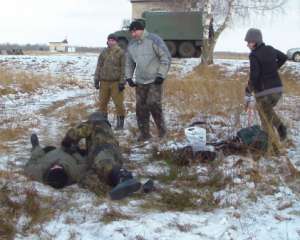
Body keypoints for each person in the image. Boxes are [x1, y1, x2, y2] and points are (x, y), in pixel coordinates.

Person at [125, 20, 172, 141]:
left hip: (154, 80)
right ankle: (144, 134)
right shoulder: (132, 45)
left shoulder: (154, 39)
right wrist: (129, 77)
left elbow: (165, 57)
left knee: (153, 104)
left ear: (141, 30)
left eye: (135, 31)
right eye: (132, 32)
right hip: (140, 81)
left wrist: (161, 75)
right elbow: (129, 62)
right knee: (140, 108)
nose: (133, 34)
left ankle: (162, 132)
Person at [244, 28, 288, 151]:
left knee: (264, 115)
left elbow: (254, 75)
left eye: (250, 42)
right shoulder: (270, 49)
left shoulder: (254, 55)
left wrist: (248, 90)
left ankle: (274, 140)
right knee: (266, 113)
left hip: (264, 92)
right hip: (278, 90)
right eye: (247, 42)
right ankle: (271, 142)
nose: (248, 44)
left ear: (257, 41)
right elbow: (284, 57)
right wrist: (273, 68)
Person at [94, 33, 126, 130]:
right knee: (102, 103)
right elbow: (99, 66)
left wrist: (122, 82)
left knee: (119, 104)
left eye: (113, 40)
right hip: (104, 82)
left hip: (116, 83)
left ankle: (120, 125)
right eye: (109, 40)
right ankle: (104, 124)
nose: (111, 42)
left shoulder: (121, 52)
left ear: (116, 42)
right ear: (107, 41)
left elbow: (124, 68)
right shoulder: (103, 52)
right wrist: (96, 79)